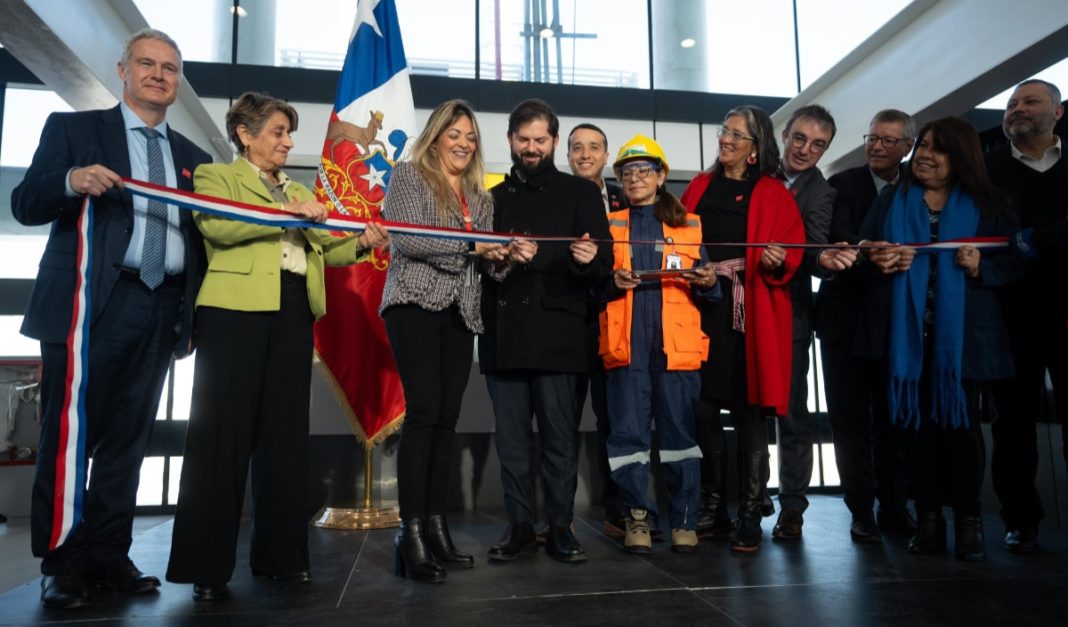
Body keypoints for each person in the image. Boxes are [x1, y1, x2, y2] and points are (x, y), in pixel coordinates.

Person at [11, 28, 212, 610]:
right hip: (90, 306)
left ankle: (107, 553)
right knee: (68, 438)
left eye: (169, 68)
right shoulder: (74, 131)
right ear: (123, 71)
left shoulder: (193, 160)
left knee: (130, 439)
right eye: (146, 64)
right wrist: (72, 181)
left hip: (163, 306)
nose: (158, 75)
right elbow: (25, 203)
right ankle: (64, 561)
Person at [165, 92, 388, 602]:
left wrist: (363, 241)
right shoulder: (216, 177)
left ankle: (282, 558)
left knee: (285, 439)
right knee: (221, 437)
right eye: (278, 132)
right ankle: (207, 567)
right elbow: (218, 226)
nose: (289, 142)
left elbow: (326, 247)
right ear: (245, 133)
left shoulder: (298, 189)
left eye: (289, 133)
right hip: (233, 314)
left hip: (292, 313)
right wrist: (289, 214)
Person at [859, 116, 1022, 561]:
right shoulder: (894, 197)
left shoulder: (989, 203)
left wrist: (980, 267)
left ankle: (969, 523)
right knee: (914, 432)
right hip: (905, 338)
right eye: (925, 145)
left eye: (939, 149)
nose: (926, 155)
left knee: (961, 430)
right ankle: (928, 520)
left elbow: (1017, 261)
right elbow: (863, 248)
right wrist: (880, 257)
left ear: (961, 156)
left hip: (965, 340)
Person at [379, 99, 529, 583]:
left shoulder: (480, 197)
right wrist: (472, 246)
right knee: (423, 413)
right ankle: (411, 532)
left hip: (460, 311)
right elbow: (408, 240)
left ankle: (436, 527)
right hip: (414, 304)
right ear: (437, 135)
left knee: (447, 419)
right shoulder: (408, 176)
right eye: (455, 134)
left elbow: (484, 264)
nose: (463, 143)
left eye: (470, 137)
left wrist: (505, 255)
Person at [480, 99, 612, 564]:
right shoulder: (491, 199)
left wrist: (587, 259)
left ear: (554, 140)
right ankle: (519, 527)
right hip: (504, 337)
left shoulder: (580, 194)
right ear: (511, 141)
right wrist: (497, 259)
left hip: (561, 337)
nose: (531, 147)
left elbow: (606, 265)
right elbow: (478, 265)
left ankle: (560, 527)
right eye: (523, 139)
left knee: (559, 441)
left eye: (540, 139)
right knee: (512, 444)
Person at [680, 106, 805, 552]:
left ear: (755, 149)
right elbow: (679, 240)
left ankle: (751, 510)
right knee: (704, 407)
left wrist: (778, 260)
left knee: (749, 409)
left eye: (736, 134)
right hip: (702, 308)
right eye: (724, 131)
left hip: (749, 312)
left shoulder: (773, 193)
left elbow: (793, 250)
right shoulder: (698, 185)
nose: (726, 139)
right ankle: (713, 507)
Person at [600, 135, 720, 554]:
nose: (635, 178)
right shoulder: (610, 224)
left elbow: (710, 287)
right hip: (627, 344)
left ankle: (684, 520)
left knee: (680, 436)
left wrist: (708, 281)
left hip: (676, 346)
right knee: (628, 437)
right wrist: (608, 281)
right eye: (626, 172)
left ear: (662, 176)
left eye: (643, 171)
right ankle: (637, 519)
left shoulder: (689, 223)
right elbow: (594, 283)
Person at [818, 109, 918, 543]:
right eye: (872, 138)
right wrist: (867, 251)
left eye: (888, 140)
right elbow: (836, 240)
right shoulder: (843, 184)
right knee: (849, 421)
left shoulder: (918, 189)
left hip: (897, 324)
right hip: (845, 321)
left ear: (907, 147)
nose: (876, 146)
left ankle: (894, 505)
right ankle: (860, 510)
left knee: (895, 421)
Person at [986, 78, 1066, 555]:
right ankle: (1021, 521)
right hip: (1010, 316)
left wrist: (1033, 240)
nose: (1017, 108)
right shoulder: (988, 172)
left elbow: (1022, 240)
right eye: (1011, 103)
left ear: (1057, 113)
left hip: (1067, 316)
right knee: (1011, 426)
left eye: (1029, 101)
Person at [772, 105, 838, 541]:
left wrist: (821, 260)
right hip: (743, 312)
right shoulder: (755, 175)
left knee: (794, 416)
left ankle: (792, 508)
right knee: (743, 410)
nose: (805, 150)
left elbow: (815, 251)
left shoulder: (822, 193)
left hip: (792, 315)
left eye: (817, 145)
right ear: (784, 135)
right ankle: (746, 498)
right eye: (799, 139)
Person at [566, 122, 626, 537]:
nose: (585, 155)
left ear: (607, 156)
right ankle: (558, 517)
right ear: (566, 155)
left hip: (618, 321)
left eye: (594, 148)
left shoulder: (629, 199)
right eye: (576, 148)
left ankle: (619, 510)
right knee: (563, 420)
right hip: (569, 323)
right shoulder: (557, 199)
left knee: (616, 419)